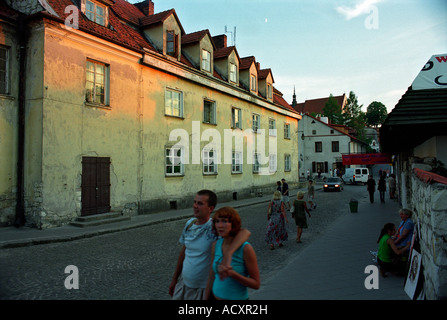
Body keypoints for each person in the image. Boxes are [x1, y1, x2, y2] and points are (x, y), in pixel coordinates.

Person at [169, 190, 251, 300]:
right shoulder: (190, 224)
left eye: (200, 203)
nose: (195, 206)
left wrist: (228, 254)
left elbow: (244, 233)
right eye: (195, 202)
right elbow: (184, 252)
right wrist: (174, 279)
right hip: (184, 286)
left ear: (210, 208)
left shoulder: (215, 227)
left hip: (203, 289)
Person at [205, 207, 260, 300]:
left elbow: (256, 284)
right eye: (217, 221)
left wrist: (234, 274)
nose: (219, 225)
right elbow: (211, 276)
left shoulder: (246, 248)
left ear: (233, 224)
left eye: (224, 221)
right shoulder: (216, 245)